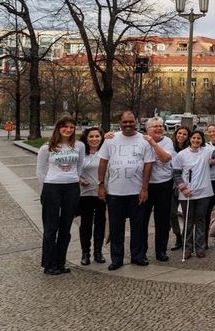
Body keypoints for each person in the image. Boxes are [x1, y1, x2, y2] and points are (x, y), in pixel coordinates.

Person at [97, 110, 155, 271]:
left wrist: (145, 188)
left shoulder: (143, 140)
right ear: (120, 122)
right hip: (115, 192)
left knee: (137, 226)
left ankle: (137, 256)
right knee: (116, 227)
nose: (128, 125)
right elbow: (103, 162)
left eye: (131, 122)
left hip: (136, 191)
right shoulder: (110, 139)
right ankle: (116, 258)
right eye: (125, 122)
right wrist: (101, 184)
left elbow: (148, 165)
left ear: (136, 122)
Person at [36, 114, 85, 275]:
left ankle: (60, 262)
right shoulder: (47, 147)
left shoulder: (79, 146)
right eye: (65, 126)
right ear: (58, 127)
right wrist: (47, 188)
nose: (68, 130)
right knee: (51, 228)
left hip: (71, 187)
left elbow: (79, 166)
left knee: (66, 228)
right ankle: (49, 264)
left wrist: (74, 180)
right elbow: (40, 171)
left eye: (72, 127)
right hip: (52, 188)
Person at [171, 130, 215, 259]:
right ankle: (187, 247)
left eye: (199, 138)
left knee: (201, 220)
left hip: (204, 192)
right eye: (194, 138)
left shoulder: (206, 151)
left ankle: (200, 247)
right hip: (187, 193)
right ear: (190, 139)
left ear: (202, 140)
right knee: (188, 221)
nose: (196, 140)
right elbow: (176, 173)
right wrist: (183, 188)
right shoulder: (182, 155)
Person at [142, 117, 177, 263]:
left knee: (162, 220)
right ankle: (140, 251)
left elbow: (165, 158)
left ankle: (161, 251)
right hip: (145, 185)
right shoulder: (139, 140)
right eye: (155, 126)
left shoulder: (167, 141)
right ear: (147, 128)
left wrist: (152, 143)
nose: (159, 129)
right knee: (142, 220)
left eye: (160, 126)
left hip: (163, 184)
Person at [77, 127, 106, 266]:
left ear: (101, 138)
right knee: (86, 224)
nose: (94, 139)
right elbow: (72, 171)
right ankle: (85, 253)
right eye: (91, 136)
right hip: (86, 194)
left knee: (100, 223)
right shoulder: (81, 154)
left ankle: (98, 252)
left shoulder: (105, 152)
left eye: (97, 136)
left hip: (102, 193)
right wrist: (80, 180)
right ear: (86, 138)